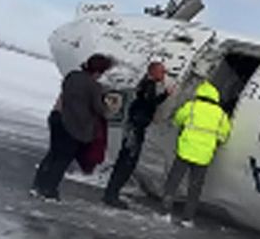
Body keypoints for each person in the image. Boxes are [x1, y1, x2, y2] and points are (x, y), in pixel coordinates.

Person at [31, 53, 113, 201]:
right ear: (98, 71)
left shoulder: (72, 76)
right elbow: (99, 109)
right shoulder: (94, 86)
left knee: (52, 154)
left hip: (57, 118)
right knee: (63, 159)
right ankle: (49, 190)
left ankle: (38, 184)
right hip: (74, 126)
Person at [103, 61, 173, 209]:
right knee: (127, 163)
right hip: (136, 129)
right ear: (153, 72)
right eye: (161, 72)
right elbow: (149, 103)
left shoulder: (145, 84)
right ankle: (111, 194)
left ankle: (111, 192)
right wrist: (165, 95)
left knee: (125, 162)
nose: (164, 75)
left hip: (134, 127)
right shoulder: (148, 86)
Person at [161, 81, 231, 228]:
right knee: (194, 189)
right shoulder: (221, 115)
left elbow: (177, 119)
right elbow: (224, 135)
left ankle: (165, 213)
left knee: (173, 182)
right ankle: (187, 219)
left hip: (185, 151)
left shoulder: (191, 107)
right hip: (203, 157)